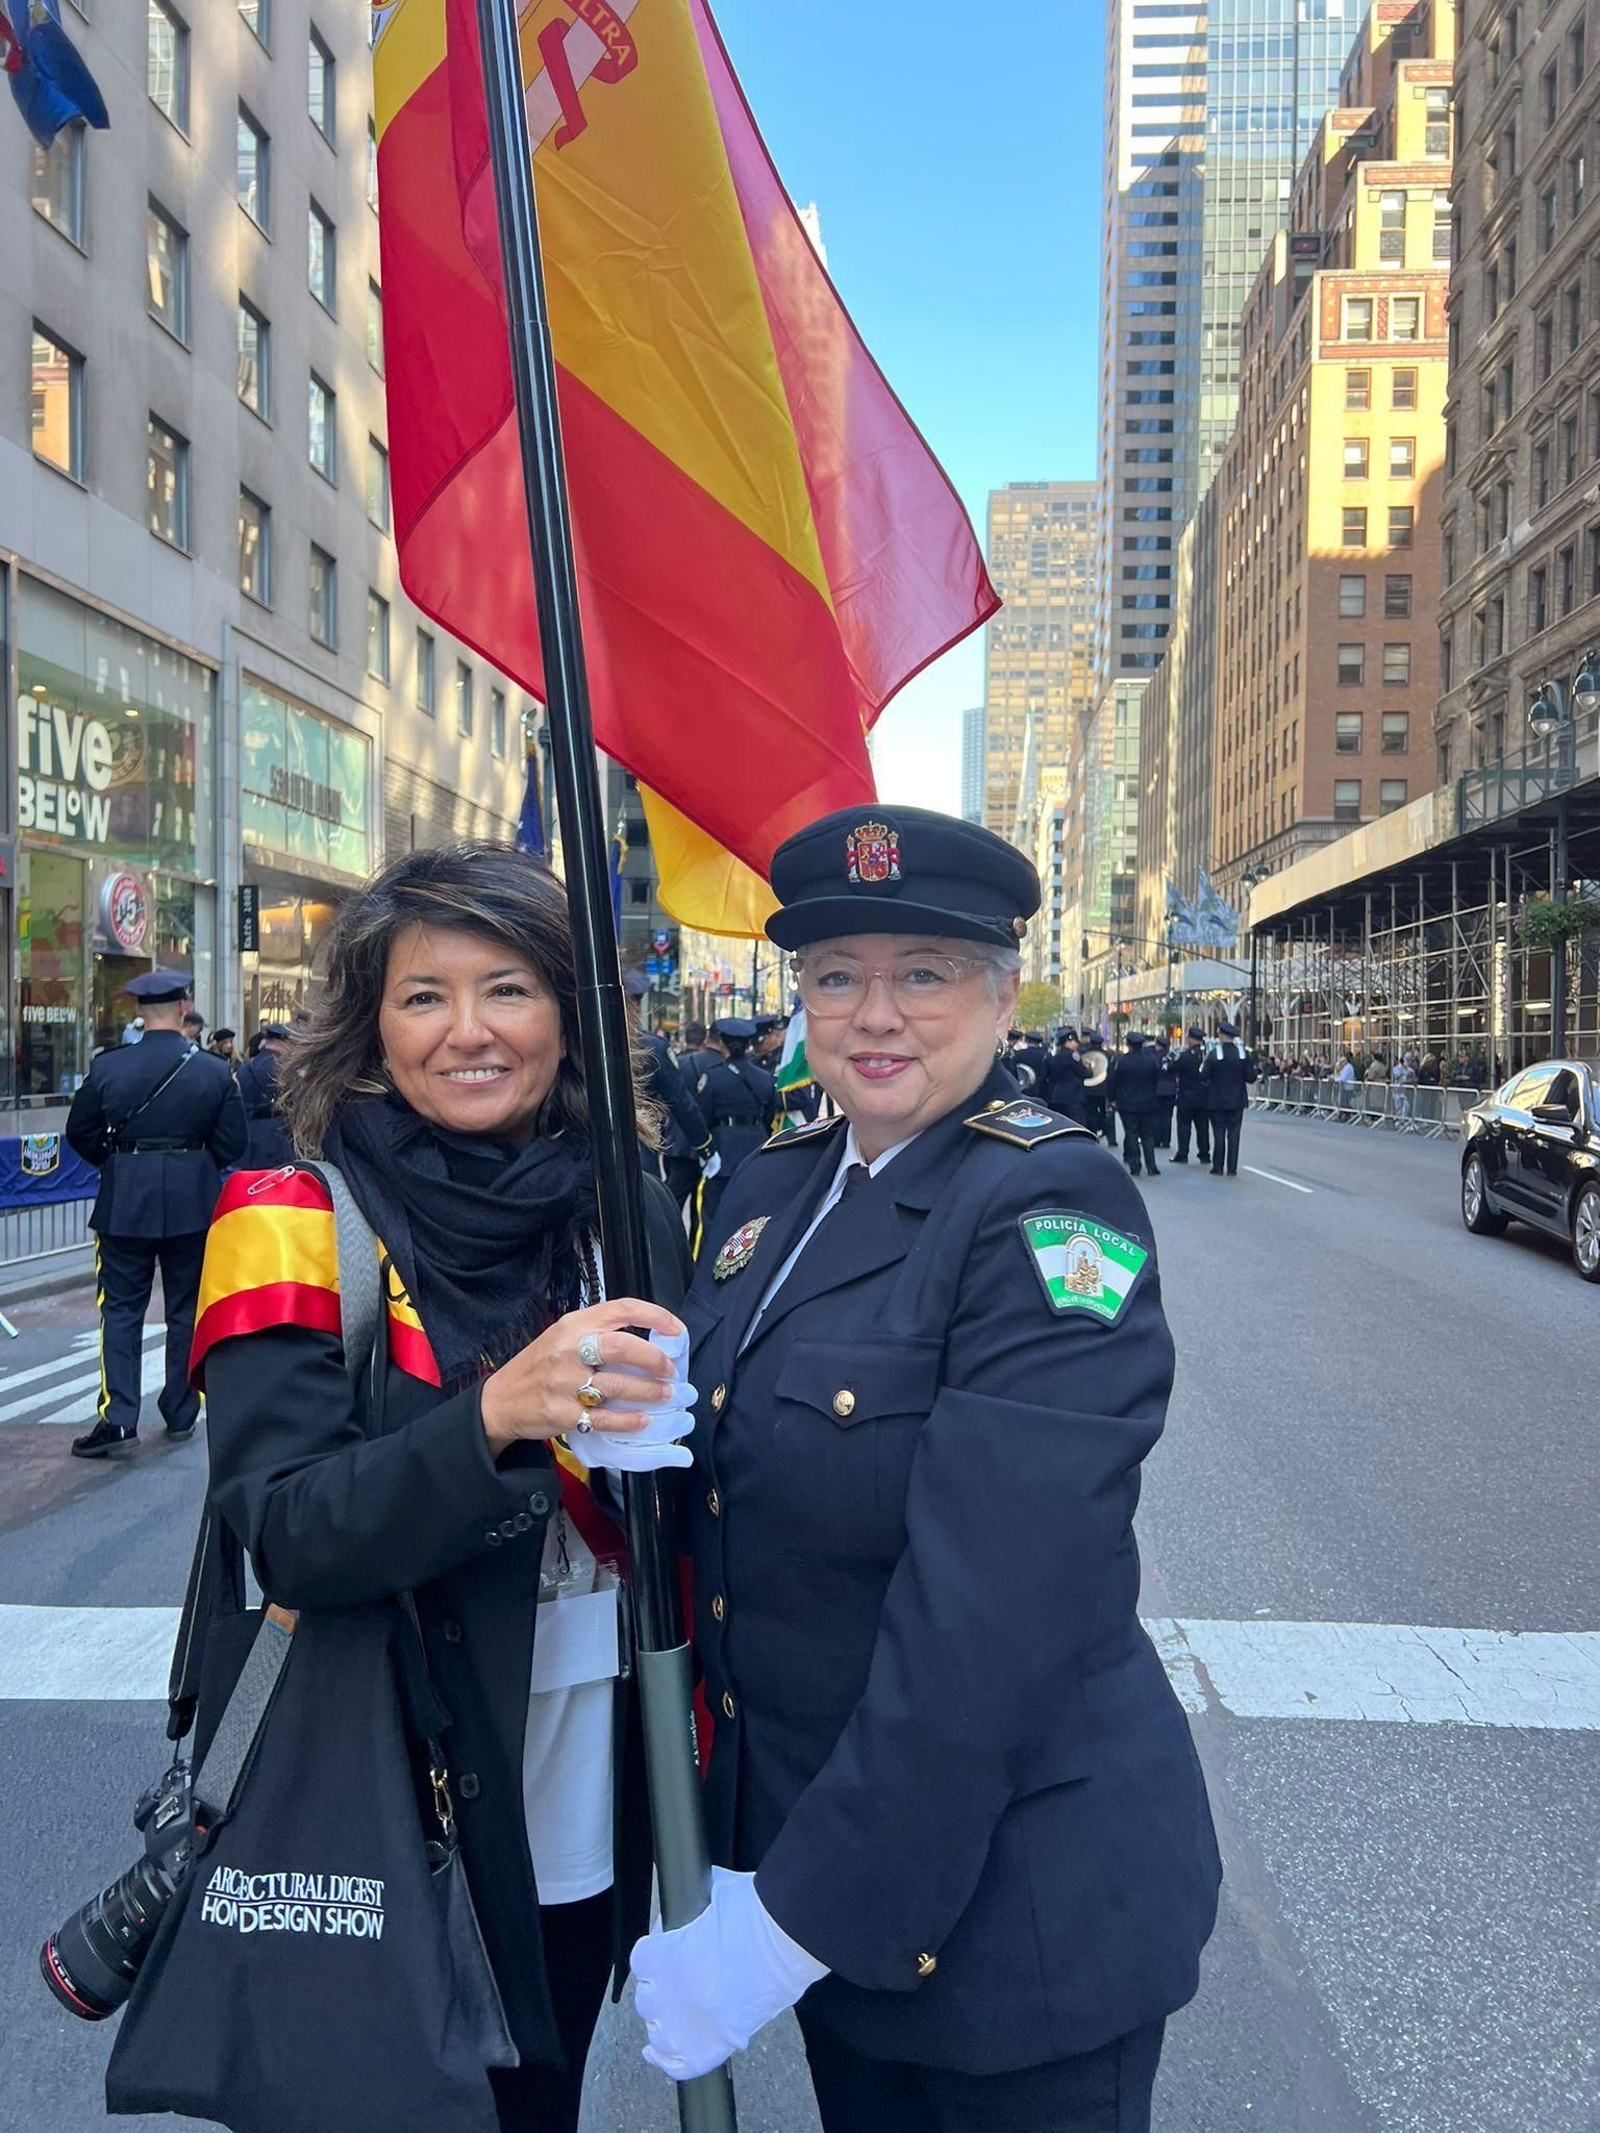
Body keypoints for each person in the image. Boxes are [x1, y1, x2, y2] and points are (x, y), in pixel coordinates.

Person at [631, 804, 1220, 2133]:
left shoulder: (1049, 1208)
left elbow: (991, 1628)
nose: (874, 1013)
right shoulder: (771, 1191)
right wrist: (629, 1426)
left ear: (1004, 993)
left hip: (1016, 1930)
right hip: (842, 1888)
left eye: (926, 973)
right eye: (837, 975)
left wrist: (786, 1926)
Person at [190, 842, 693, 2133]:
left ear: (566, 1019)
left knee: (538, 2100)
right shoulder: (289, 1215)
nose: (468, 1031)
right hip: (378, 1765)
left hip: (591, 1766)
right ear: (370, 1025)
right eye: (424, 995)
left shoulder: (630, 1206)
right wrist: (493, 1419)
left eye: (509, 988)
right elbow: (292, 1531)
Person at [63, 970, 247, 1457]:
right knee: (187, 1308)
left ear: (139, 1013)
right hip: (193, 1201)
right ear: (185, 1006)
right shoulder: (211, 1070)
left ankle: (119, 1417)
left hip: (126, 1197)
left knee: (120, 1310)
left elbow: (79, 1131)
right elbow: (234, 1144)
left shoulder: (109, 1067)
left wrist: (119, 1160)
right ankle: (181, 1409)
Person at [624, 969, 711, 1211]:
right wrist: (704, 1143)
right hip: (637, 1143)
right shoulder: (651, 1046)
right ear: (636, 1004)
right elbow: (680, 1101)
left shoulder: (578, 1037)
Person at [690, 1016, 775, 1255]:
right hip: (755, 1149)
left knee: (711, 1219)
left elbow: (701, 1115)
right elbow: (768, 1115)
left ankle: (703, 1267)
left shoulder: (713, 1076)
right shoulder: (764, 1077)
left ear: (723, 1043)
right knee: (751, 1217)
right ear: (749, 1043)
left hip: (722, 1151)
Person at [235, 1021, 294, 1168]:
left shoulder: (244, 1069)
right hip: (278, 1141)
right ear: (285, 1043)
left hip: (247, 1139)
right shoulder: (285, 1071)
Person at [1201, 1020, 1257, 1177]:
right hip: (1237, 1100)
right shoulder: (1243, 1054)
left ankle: (1217, 1166)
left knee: (1219, 1133)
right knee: (1234, 1134)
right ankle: (1232, 1167)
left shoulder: (1214, 1054)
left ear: (1221, 1035)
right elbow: (1251, 1077)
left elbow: (1204, 1075)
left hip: (1217, 1100)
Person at [1107, 1029, 1163, 1179]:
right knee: (1147, 1135)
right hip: (1147, 1103)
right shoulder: (1150, 1060)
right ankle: (1151, 1166)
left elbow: (1114, 1082)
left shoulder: (1122, 1061)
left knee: (1131, 1133)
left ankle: (1135, 1165)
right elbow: (1156, 1079)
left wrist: (1112, 1098)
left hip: (1127, 1103)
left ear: (1129, 1045)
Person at [1171, 1027, 1211, 1167]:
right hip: (1203, 1097)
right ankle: (1205, 1153)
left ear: (1191, 1040)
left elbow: (1172, 1068)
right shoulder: (1206, 1056)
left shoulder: (1185, 1056)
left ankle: (1183, 1153)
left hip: (1186, 1096)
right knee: (1203, 1127)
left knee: (1183, 1126)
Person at [1044, 1028, 1089, 1124]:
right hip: (1073, 1097)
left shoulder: (1052, 1056)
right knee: (1077, 1125)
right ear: (1068, 1042)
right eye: (1074, 1042)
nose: (1076, 1044)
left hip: (1056, 1097)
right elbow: (1083, 1073)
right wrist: (1089, 1069)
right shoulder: (1073, 1056)